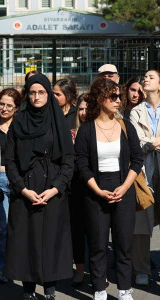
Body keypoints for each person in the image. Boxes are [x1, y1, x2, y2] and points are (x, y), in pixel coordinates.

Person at [4, 74, 74, 300]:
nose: (36, 97)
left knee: (51, 239)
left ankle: (50, 289)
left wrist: (55, 188)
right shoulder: (19, 121)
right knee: (27, 240)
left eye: (41, 92)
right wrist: (22, 189)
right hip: (25, 189)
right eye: (32, 92)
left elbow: (68, 160)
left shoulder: (58, 121)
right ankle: (28, 289)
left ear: (48, 94)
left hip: (51, 189)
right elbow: (11, 160)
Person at [75, 77, 142, 300]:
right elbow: (82, 165)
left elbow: (137, 159)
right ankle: (99, 290)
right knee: (98, 245)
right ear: (100, 98)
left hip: (123, 189)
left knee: (123, 244)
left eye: (119, 96)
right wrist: (98, 190)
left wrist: (124, 187)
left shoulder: (125, 126)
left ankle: (124, 289)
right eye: (113, 96)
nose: (118, 100)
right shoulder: (86, 130)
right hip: (96, 191)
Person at [129, 70, 160, 287]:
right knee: (141, 221)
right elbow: (136, 140)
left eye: (150, 77)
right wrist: (157, 141)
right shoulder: (136, 111)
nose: (145, 80)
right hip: (144, 170)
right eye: (144, 78)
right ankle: (141, 269)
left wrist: (156, 141)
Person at [0, 88, 20, 284]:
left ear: (16, 108)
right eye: (2, 104)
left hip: (19, 180)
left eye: (9, 105)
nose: (4, 108)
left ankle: (17, 267)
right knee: (1, 227)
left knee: (19, 228)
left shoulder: (22, 128)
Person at [69, 92, 88, 287]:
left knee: (97, 233)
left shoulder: (101, 131)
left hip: (96, 188)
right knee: (77, 232)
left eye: (87, 108)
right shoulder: (71, 134)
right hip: (75, 188)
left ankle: (99, 271)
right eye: (80, 109)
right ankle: (80, 270)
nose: (83, 113)